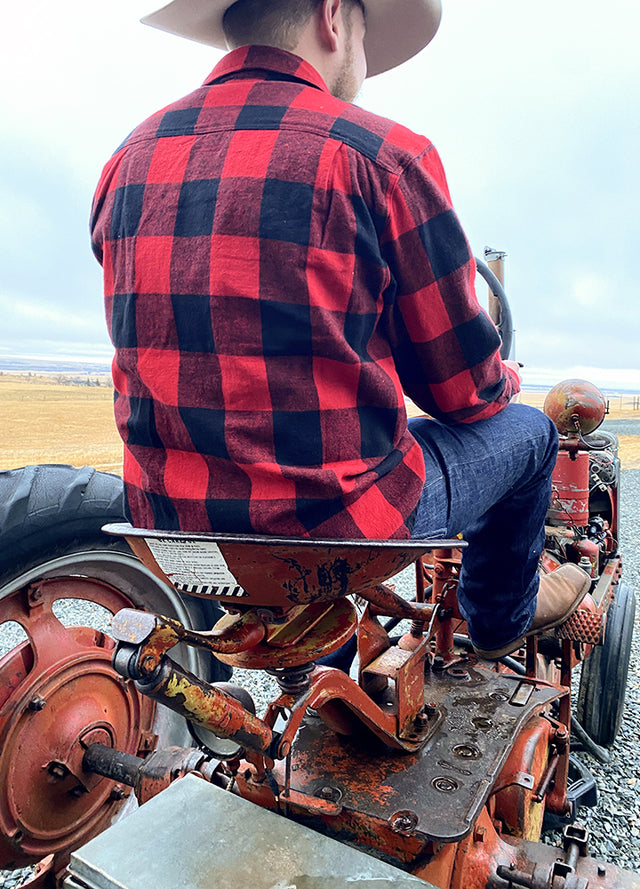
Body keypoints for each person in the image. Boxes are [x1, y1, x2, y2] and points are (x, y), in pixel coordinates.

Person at [91, 0, 589, 659]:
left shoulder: (126, 159)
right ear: (333, 16)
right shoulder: (382, 157)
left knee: (308, 494)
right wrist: (506, 378)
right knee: (531, 435)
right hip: (331, 530)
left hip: (171, 528)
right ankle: (500, 622)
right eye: (365, 33)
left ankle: (327, 677)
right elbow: (462, 391)